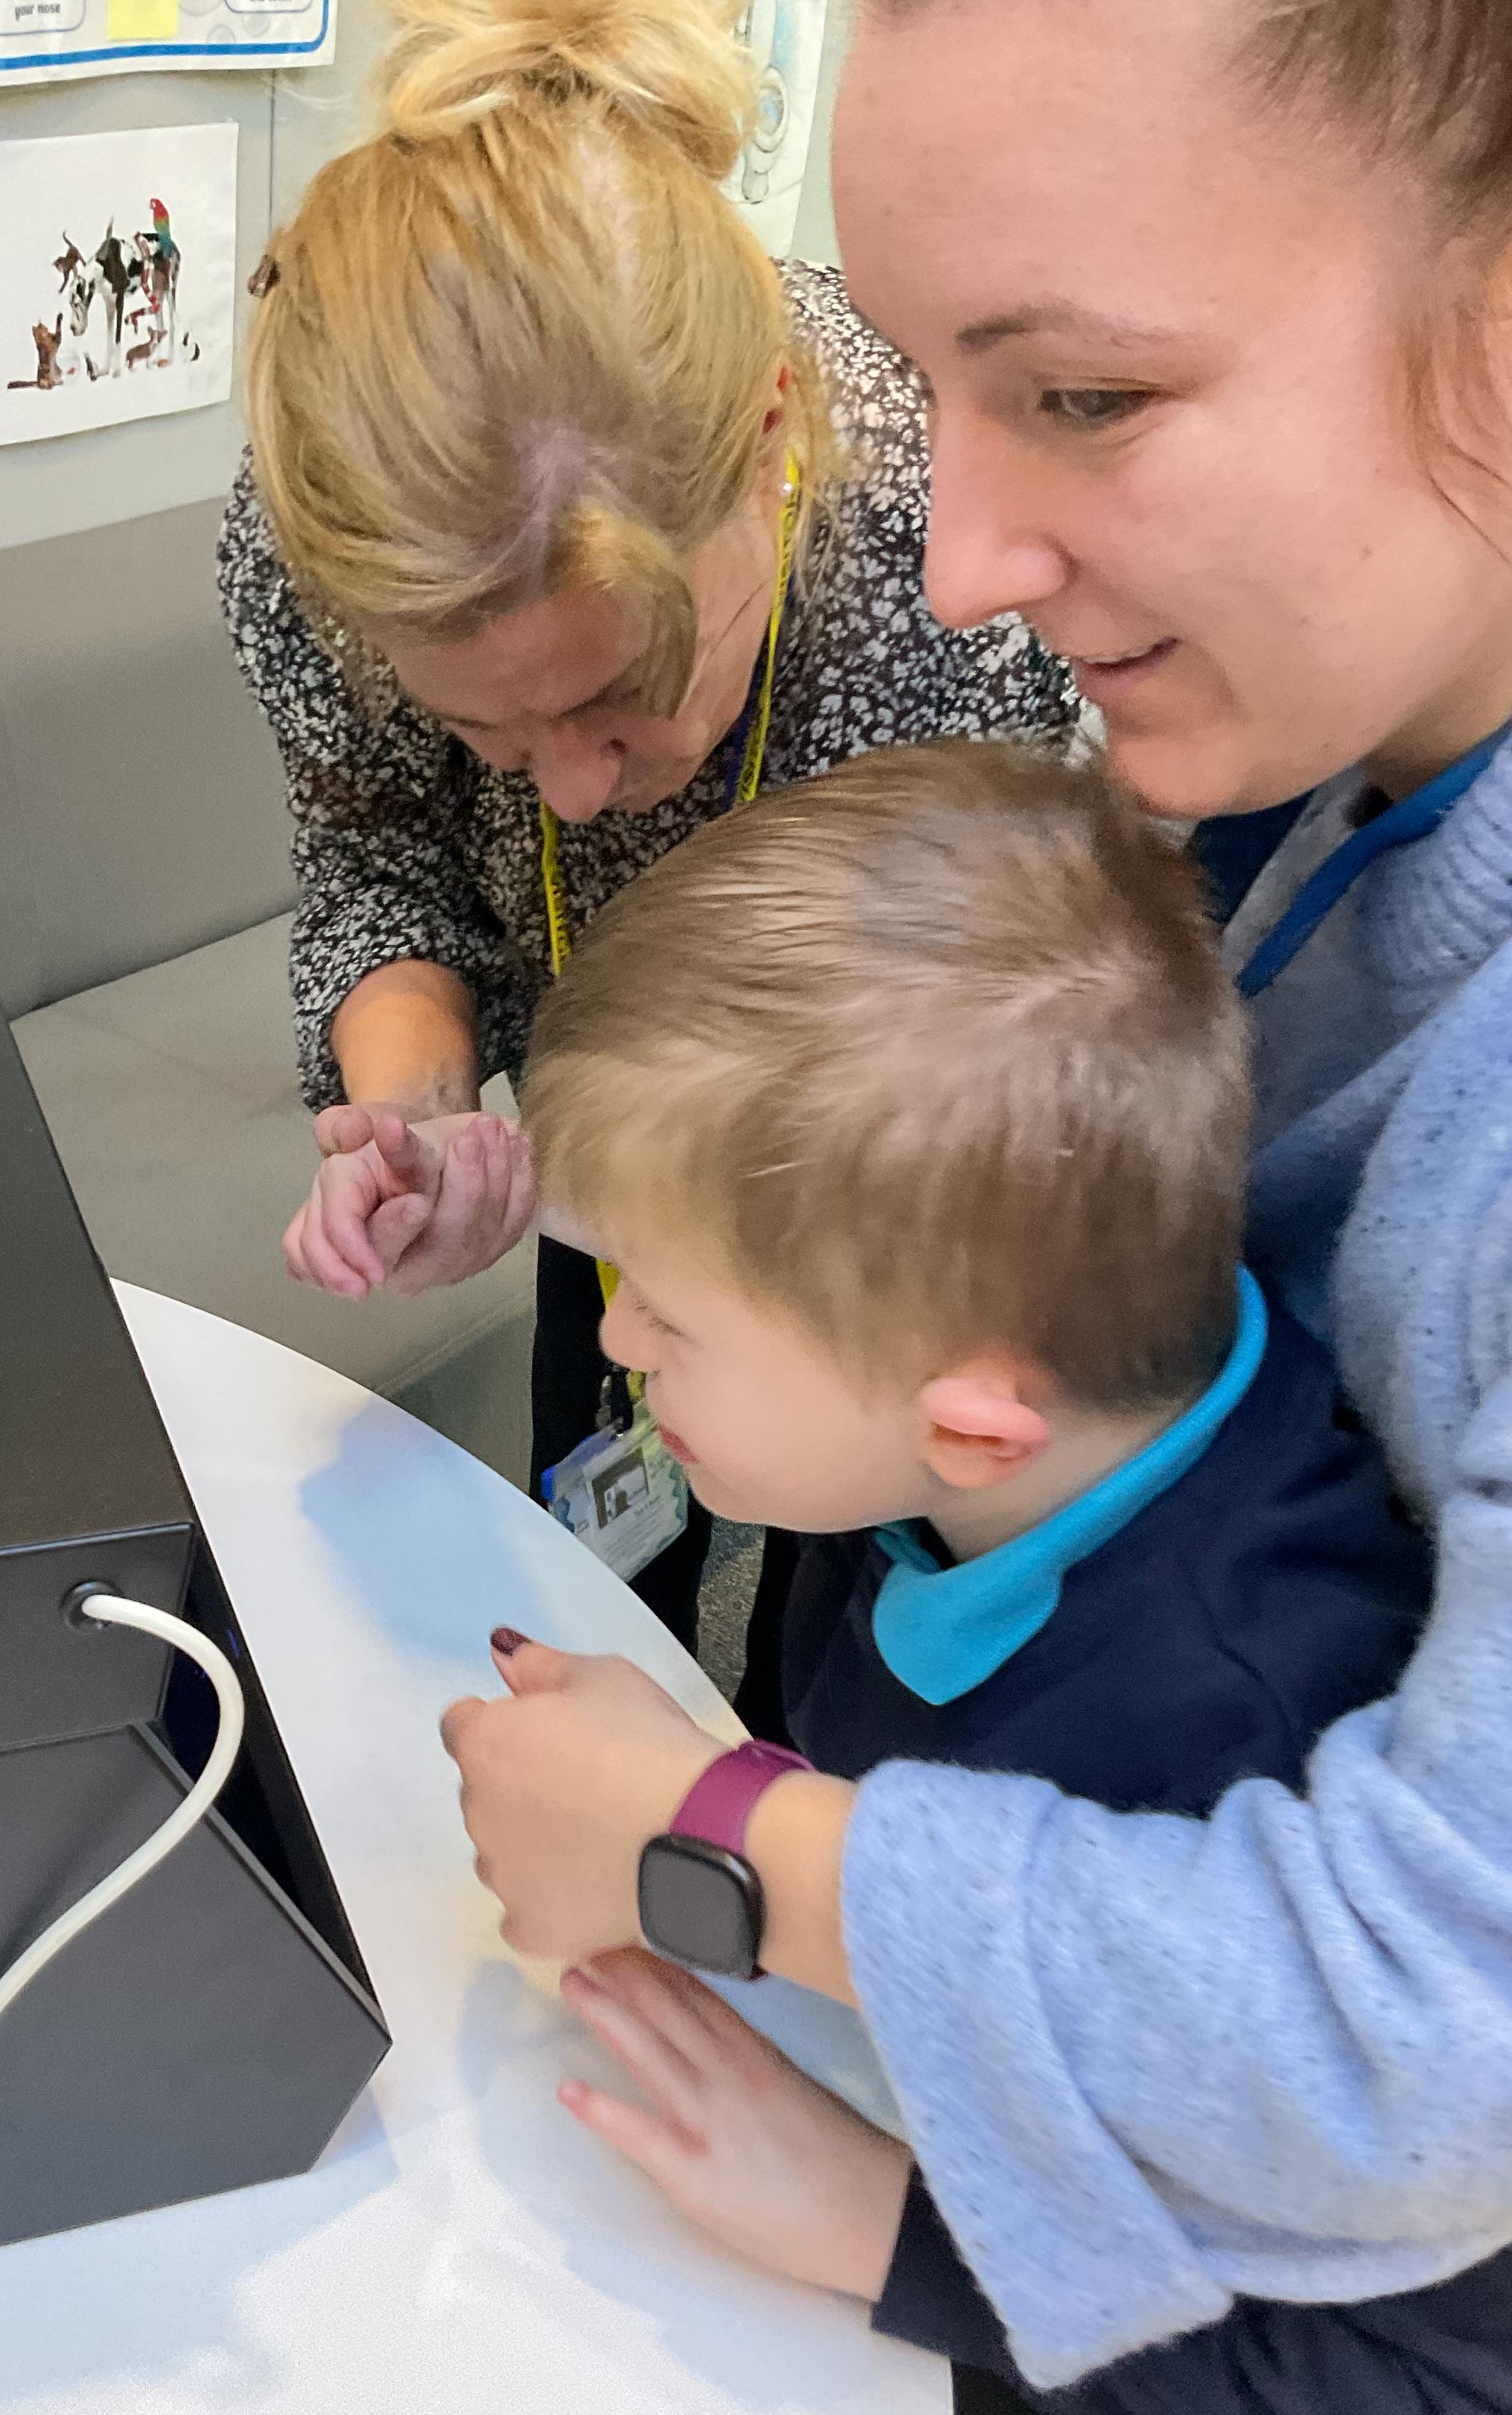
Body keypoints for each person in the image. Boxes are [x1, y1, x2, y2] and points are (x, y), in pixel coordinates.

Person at [442, 1, 1512, 2415]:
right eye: (922, 384)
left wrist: (732, 1851)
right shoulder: (1323, 735)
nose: (967, 556)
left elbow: (1485, 2020)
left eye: (1088, 395)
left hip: (1460, 2334)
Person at [215, 0, 1074, 1683]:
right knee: (606, 1542)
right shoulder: (319, 545)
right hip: (598, 1147)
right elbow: (379, 865)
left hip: (882, 1178)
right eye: (486, 729)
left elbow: (993, 1033)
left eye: (620, 695)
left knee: (850, 1646)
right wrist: (423, 1123)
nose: (570, 792)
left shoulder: (946, 534)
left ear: (770, 445)